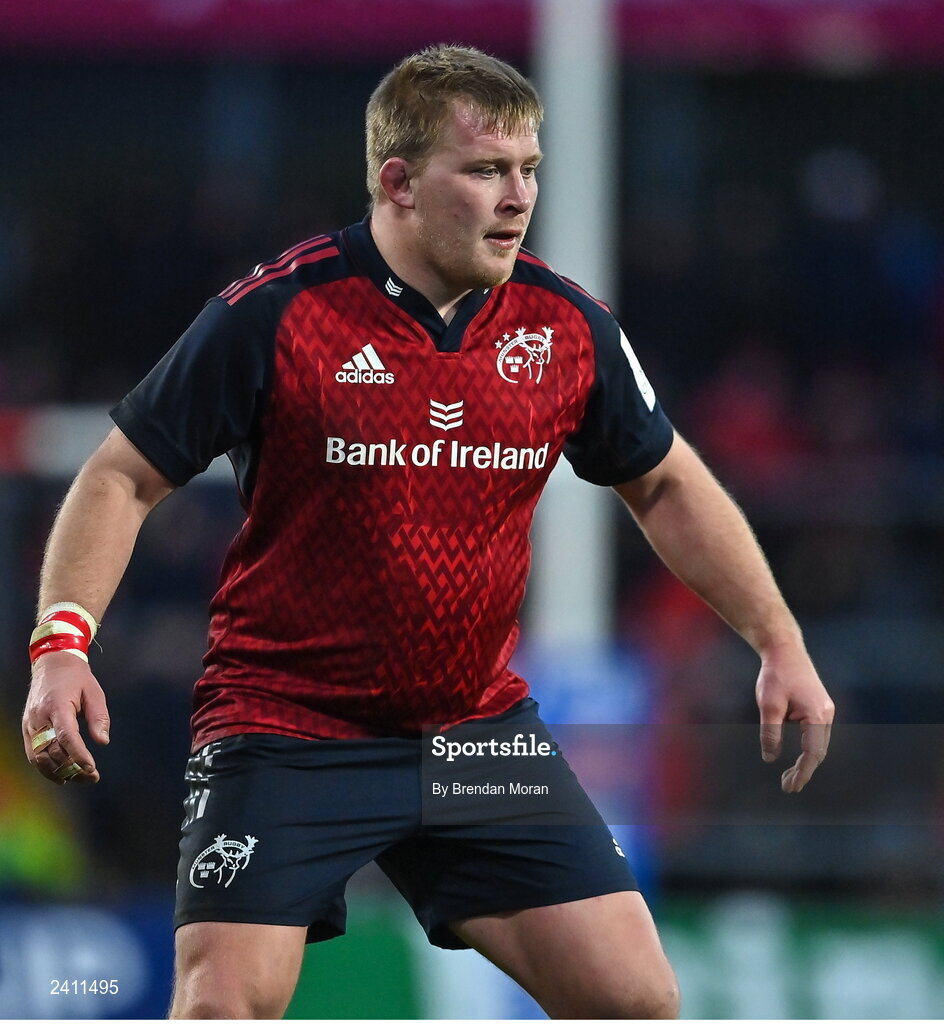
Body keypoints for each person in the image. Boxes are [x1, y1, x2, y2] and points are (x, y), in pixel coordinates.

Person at [22, 44, 834, 1019]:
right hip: (287, 728)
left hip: (471, 735)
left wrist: (777, 640)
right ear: (398, 182)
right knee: (220, 1007)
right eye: (486, 169)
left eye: (528, 169)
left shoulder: (563, 325)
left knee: (637, 1002)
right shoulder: (280, 314)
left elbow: (663, 484)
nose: (516, 195)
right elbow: (120, 474)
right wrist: (62, 644)